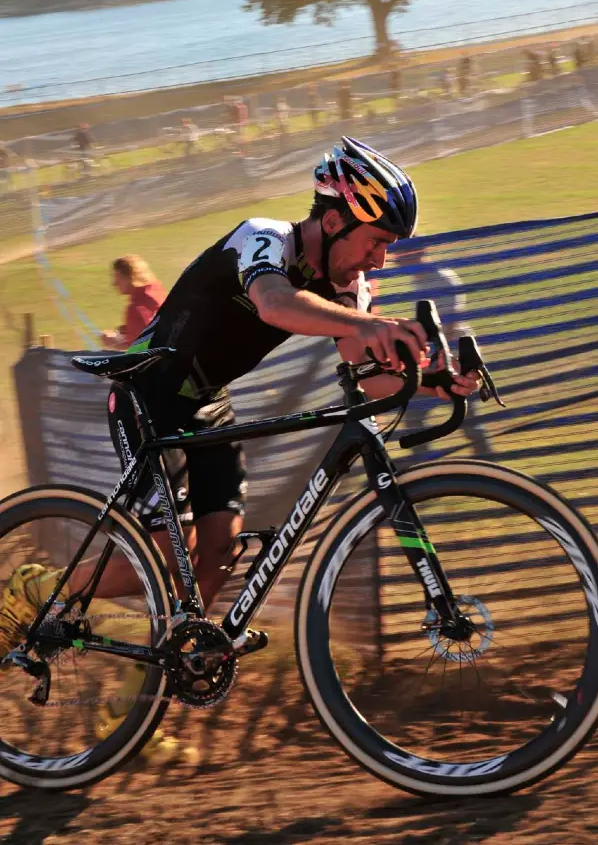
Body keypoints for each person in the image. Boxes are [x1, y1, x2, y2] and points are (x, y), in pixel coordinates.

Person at [0, 137, 480, 756]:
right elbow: (273, 303)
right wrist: (368, 325)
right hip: (150, 392)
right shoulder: (263, 237)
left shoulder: (349, 289)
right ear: (333, 221)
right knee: (163, 558)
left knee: (216, 556)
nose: (380, 261)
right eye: (376, 241)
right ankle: (39, 590)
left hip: (207, 402)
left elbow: (369, 373)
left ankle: (143, 688)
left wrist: (436, 381)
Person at [397, 244, 493, 459]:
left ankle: (487, 461)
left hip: (454, 362)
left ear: (417, 255)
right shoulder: (422, 281)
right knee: (416, 417)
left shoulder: (442, 281)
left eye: (402, 260)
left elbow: (447, 328)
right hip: (438, 361)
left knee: (467, 419)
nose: (400, 264)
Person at [101, 255, 166, 350]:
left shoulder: (136, 308)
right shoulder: (156, 289)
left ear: (129, 278)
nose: (114, 283)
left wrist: (114, 342)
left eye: (117, 277)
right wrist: (128, 329)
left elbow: (138, 350)